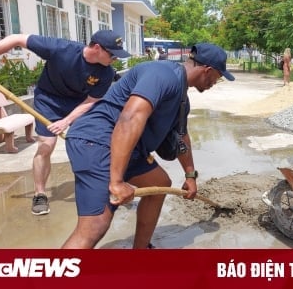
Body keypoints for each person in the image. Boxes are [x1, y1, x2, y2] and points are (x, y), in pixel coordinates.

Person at [61, 43, 235, 249]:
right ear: (208, 70)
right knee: (95, 224)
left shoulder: (181, 99)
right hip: (96, 140)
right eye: (218, 75)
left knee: (158, 183)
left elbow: (182, 137)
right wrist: (116, 181)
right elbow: (129, 119)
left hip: (129, 147)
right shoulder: (162, 74)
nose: (217, 81)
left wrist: (190, 176)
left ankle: (141, 250)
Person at [0, 30, 129, 216]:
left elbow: (91, 101)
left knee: (94, 143)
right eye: (113, 54)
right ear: (97, 48)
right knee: (46, 145)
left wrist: (66, 121)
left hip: (79, 103)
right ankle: (40, 194)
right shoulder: (61, 49)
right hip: (48, 100)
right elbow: (16, 39)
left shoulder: (106, 72)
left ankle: (108, 185)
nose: (115, 59)